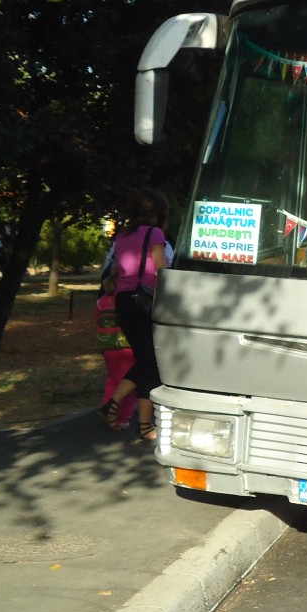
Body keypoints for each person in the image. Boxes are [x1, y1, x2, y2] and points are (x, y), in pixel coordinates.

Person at [98, 188, 169, 442]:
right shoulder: (155, 234)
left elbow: (116, 269)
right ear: (159, 213)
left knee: (147, 362)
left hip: (123, 302)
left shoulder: (123, 235)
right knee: (151, 360)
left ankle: (144, 426)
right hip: (144, 302)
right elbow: (162, 271)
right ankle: (115, 403)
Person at [94, 277, 137, 429]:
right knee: (130, 382)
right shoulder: (128, 299)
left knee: (113, 380)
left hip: (108, 346)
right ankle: (123, 418)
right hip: (129, 346)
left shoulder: (101, 301)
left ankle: (107, 410)